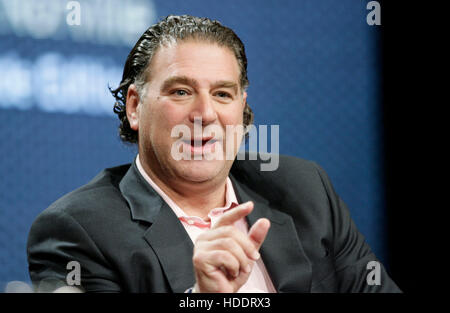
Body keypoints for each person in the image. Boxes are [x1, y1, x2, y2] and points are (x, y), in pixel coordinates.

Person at [27, 15, 400, 293]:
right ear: (136, 106)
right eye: (180, 92)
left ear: (242, 107)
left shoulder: (305, 190)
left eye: (222, 94)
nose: (205, 114)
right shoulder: (77, 229)